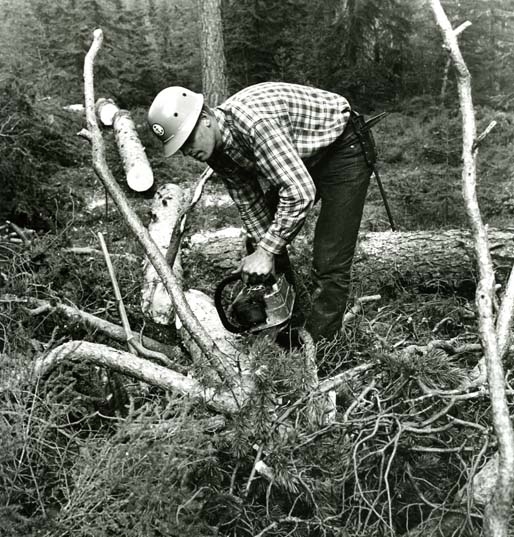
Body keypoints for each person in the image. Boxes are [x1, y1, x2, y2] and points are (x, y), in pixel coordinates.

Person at [147, 82, 374, 341]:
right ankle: (289, 320)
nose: (188, 151)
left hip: (343, 148)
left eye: (188, 139)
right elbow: (250, 202)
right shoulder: (216, 151)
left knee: (329, 261)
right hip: (302, 158)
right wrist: (263, 253)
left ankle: (320, 352)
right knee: (259, 240)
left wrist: (266, 251)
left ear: (206, 117)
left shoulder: (254, 123)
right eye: (181, 147)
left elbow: (299, 193)